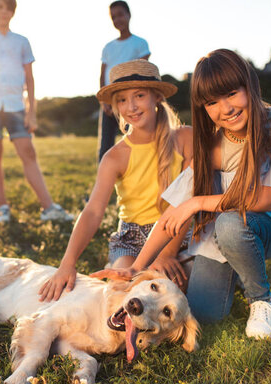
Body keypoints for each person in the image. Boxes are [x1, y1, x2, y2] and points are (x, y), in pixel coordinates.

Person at [93, 49, 271, 339]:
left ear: (249, 86)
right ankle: (241, 266)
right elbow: (172, 215)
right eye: (212, 102)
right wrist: (137, 268)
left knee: (229, 222)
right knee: (205, 313)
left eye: (231, 94)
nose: (225, 108)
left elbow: (266, 199)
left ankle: (261, 301)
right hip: (227, 232)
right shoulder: (214, 145)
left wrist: (197, 203)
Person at [38, 59, 193, 302]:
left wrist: (169, 252)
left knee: (171, 296)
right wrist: (67, 263)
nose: (131, 106)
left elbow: (189, 198)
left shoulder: (185, 138)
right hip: (132, 237)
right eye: (121, 99)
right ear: (115, 106)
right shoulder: (115, 157)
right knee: (120, 294)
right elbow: (92, 212)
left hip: (178, 232)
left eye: (139, 95)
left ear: (157, 97)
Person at [0, 0, 74, 224]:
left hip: (16, 106)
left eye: (8, 8)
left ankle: (48, 207)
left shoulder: (22, 42)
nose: (3, 11)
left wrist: (31, 111)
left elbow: (29, 78)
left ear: (12, 13)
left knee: (28, 152)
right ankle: (3, 208)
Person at [98, 1, 151, 162]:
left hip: (130, 100)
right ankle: (104, 179)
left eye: (120, 15)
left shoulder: (140, 43)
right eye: (113, 17)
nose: (117, 20)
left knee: (134, 137)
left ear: (129, 15)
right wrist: (103, 101)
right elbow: (102, 75)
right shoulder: (108, 47)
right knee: (105, 143)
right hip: (109, 100)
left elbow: (143, 70)